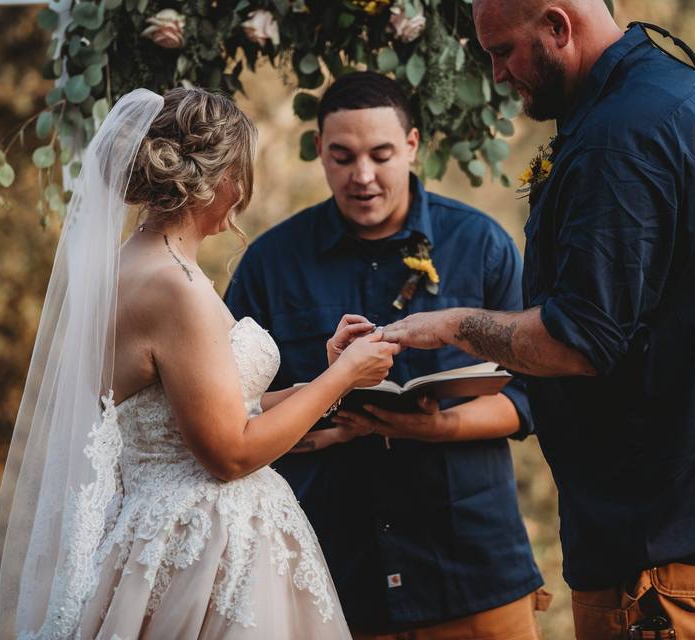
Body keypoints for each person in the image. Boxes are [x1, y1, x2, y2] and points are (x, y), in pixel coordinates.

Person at [381, 2, 695, 638]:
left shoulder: (620, 137)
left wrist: (453, 325)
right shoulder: (672, 90)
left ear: (558, 26)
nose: (496, 74)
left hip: (660, 545)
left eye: (503, 51)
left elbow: (577, 341)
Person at [0, 87, 400, 639]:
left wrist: (326, 378)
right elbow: (231, 452)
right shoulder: (175, 289)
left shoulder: (140, 265)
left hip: (163, 532)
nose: (242, 190)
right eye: (240, 173)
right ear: (218, 179)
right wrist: (346, 375)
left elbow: (221, 409)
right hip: (204, 551)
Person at [225, 72, 547, 640]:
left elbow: (535, 397)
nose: (363, 176)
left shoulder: (481, 244)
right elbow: (232, 411)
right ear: (320, 152)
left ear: (413, 146)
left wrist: (434, 427)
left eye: (381, 154)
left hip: (472, 568)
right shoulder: (270, 263)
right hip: (331, 580)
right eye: (342, 157)